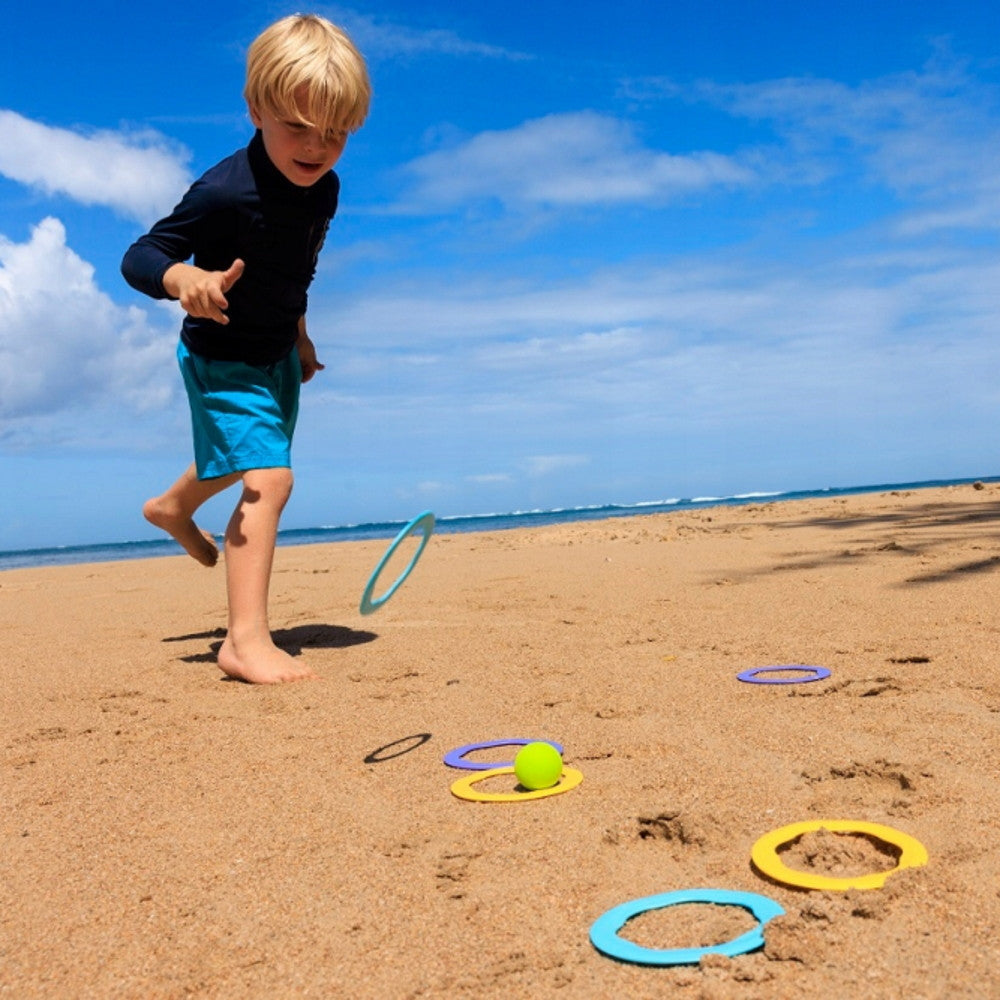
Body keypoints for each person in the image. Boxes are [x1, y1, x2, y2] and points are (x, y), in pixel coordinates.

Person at [121, 14, 370, 683]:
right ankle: (244, 641)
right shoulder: (224, 190)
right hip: (220, 356)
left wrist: (300, 334)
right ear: (255, 109)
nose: (318, 148)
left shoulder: (326, 189)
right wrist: (184, 278)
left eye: (337, 132)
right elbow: (141, 254)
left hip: (276, 354)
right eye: (298, 126)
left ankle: (172, 508)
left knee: (251, 457)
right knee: (270, 478)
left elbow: (296, 270)